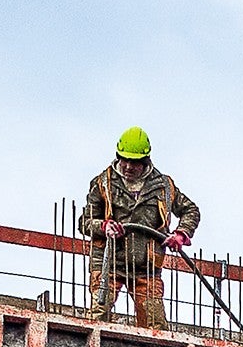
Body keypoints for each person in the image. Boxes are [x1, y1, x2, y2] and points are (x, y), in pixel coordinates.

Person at [78, 128, 199, 327]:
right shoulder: (103, 183)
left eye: (134, 162)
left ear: (145, 161)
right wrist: (104, 226)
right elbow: (84, 222)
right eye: (124, 160)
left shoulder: (163, 186)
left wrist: (180, 234)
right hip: (109, 263)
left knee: (155, 326)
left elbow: (191, 210)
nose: (128, 166)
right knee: (97, 319)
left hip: (146, 267)